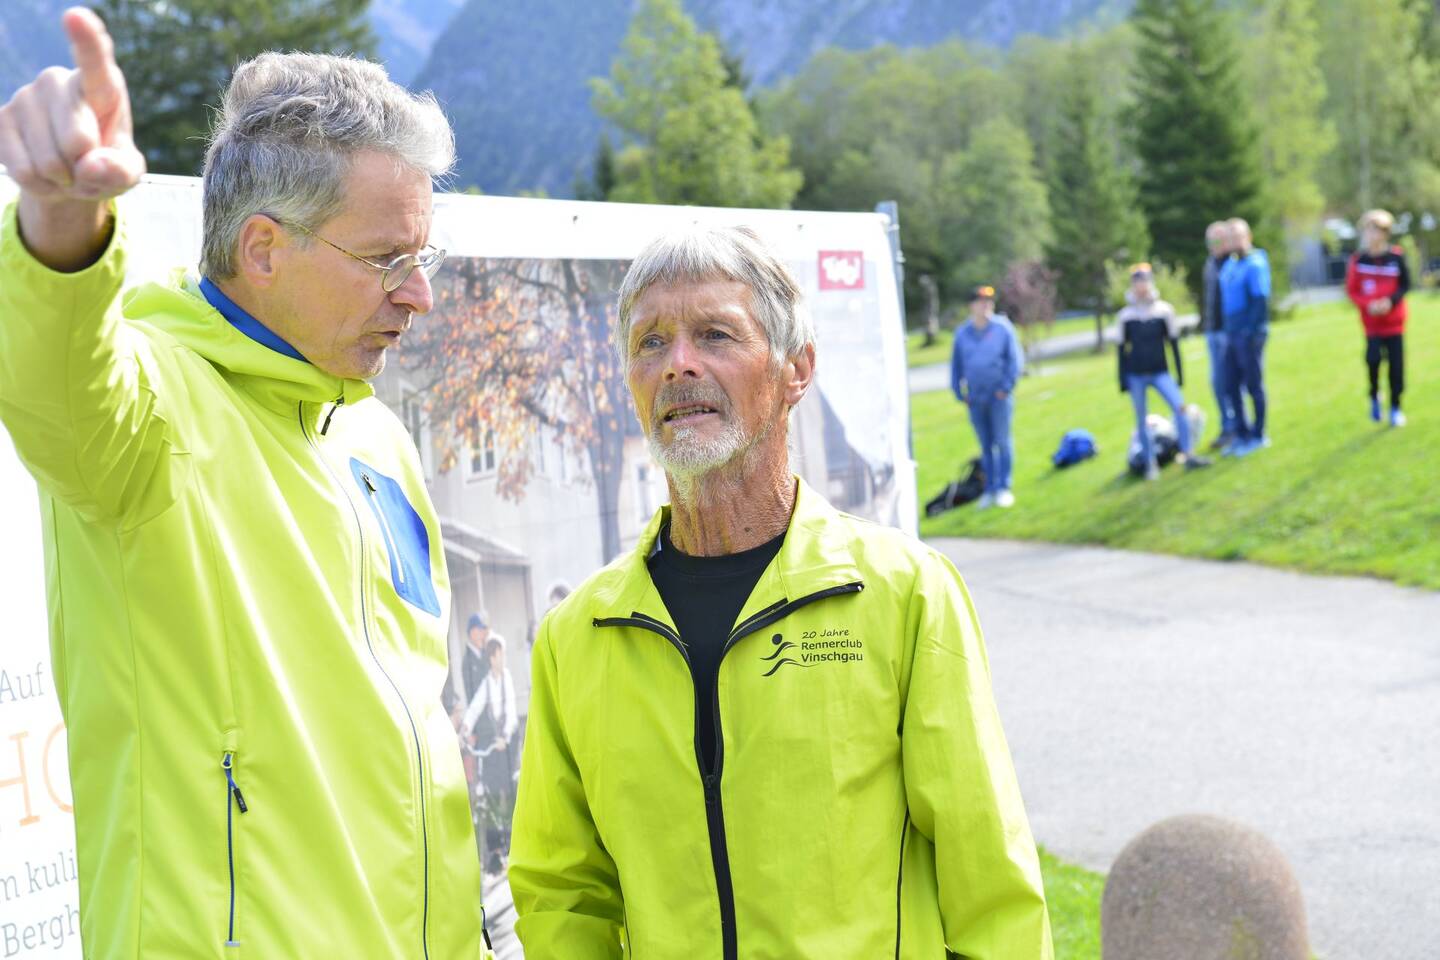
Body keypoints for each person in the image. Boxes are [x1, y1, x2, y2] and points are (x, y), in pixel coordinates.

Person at [0, 11, 489, 956]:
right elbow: (51, 374)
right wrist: (60, 217)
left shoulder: (377, 438)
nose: (418, 294)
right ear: (263, 249)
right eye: (387, 259)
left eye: (421, 258)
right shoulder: (149, 412)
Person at [509, 226, 1052, 958]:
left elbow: (989, 878)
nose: (678, 364)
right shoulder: (578, 634)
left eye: (715, 334)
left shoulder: (902, 594)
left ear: (796, 369)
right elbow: (562, 893)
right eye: (650, 343)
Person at [1116, 264, 1211, 479]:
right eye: (1137, 282)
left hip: (1160, 371)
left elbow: (1173, 345)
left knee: (1180, 409)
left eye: (1144, 281)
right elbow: (1122, 351)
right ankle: (1150, 464)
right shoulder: (1126, 316)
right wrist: (1122, 379)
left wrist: (1179, 374)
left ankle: (1188, 454)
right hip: (1136, 375)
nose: (1141, 286)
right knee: (1142, 419)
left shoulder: (1164, 310)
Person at [949, 284, 1024, 509]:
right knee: (986, 446)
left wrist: (1006, 387)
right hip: (975, 399)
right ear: (971, 306)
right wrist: (959, 393)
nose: (985, 306)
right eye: (981, 302)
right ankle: (989, 489)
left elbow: (1015, 361)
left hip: (999, 397)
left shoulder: (1002, 328)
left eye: (989, 302)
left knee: (1003, 442)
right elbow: (956, 366)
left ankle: (1004, 487)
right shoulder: (962, 334)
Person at [1345, 209, 1410, 427]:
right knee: (1373, 361)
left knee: (1396, 367)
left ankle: (1395, 407)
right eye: (1369, 230)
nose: (1372, 235)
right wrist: (1369, 305)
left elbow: (1405, 285)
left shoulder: (1396, 257)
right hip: (1372, 326)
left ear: (1385, 233)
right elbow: (1352, 291)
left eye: (1377, 230)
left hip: (1394, 324)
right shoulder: (1359, 259)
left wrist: (1390, 302)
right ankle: (1374, 395)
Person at [463, 634, 519, 874]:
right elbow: (475, 707)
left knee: (511, 793)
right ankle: (498, 851)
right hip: (494, 748)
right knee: (493, 796)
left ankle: (515, 844)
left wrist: (505, 737)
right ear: (493, 657)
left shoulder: (507, 679)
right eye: (500, 655)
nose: (503, 658)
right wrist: (465, 728)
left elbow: (512, 713)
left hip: (507, 745)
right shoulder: (486, 683)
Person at [1218, 217, 1273, 456]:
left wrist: (1250, 331)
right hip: (1231, 333)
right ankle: (1241, 434)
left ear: (1248, 237)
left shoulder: (1255, 264)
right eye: (1230, 237)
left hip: (1248, 334)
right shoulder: (1230, 265)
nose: (1234, 241)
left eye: (1238, 236)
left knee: (1253, 384)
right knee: (1230, 385)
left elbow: (1260, 301)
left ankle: (1258, 434)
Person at [1201, 220, 1238, 449]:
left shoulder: (1233, 264)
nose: (1213, 244)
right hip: (1212, 330)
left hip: (1228, 330)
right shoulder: (1210, 264)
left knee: (1230, 380)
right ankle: (1227, 426)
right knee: (1216, 382)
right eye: (1210, 240)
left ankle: (1237, 426)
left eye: (1218, 239)